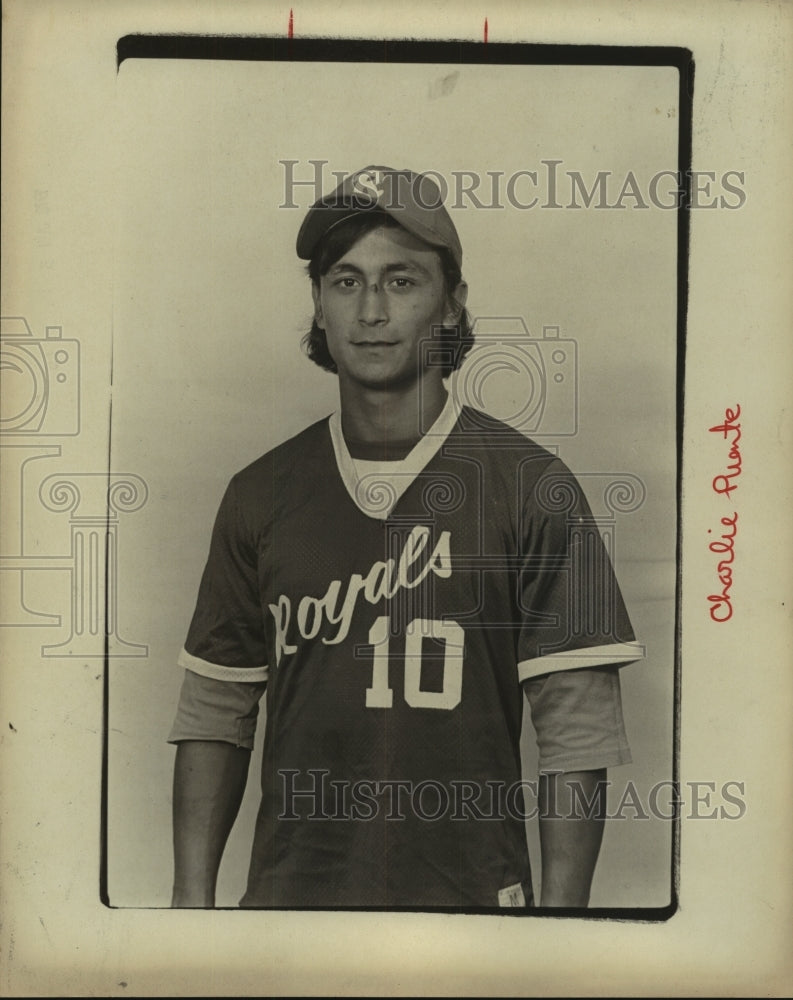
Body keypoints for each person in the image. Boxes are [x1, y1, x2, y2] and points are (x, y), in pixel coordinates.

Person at [168, 165, 641, 910]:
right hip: (292, 908)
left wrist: (561, 933)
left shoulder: (531, 485)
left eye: (401, 280)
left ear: (451, 305)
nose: (371, 310)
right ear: (318, 306)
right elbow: (214, 713)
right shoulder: (259, 492)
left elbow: (576, 734)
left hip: (474, 908)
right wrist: (187, 913)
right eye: (345, 282)